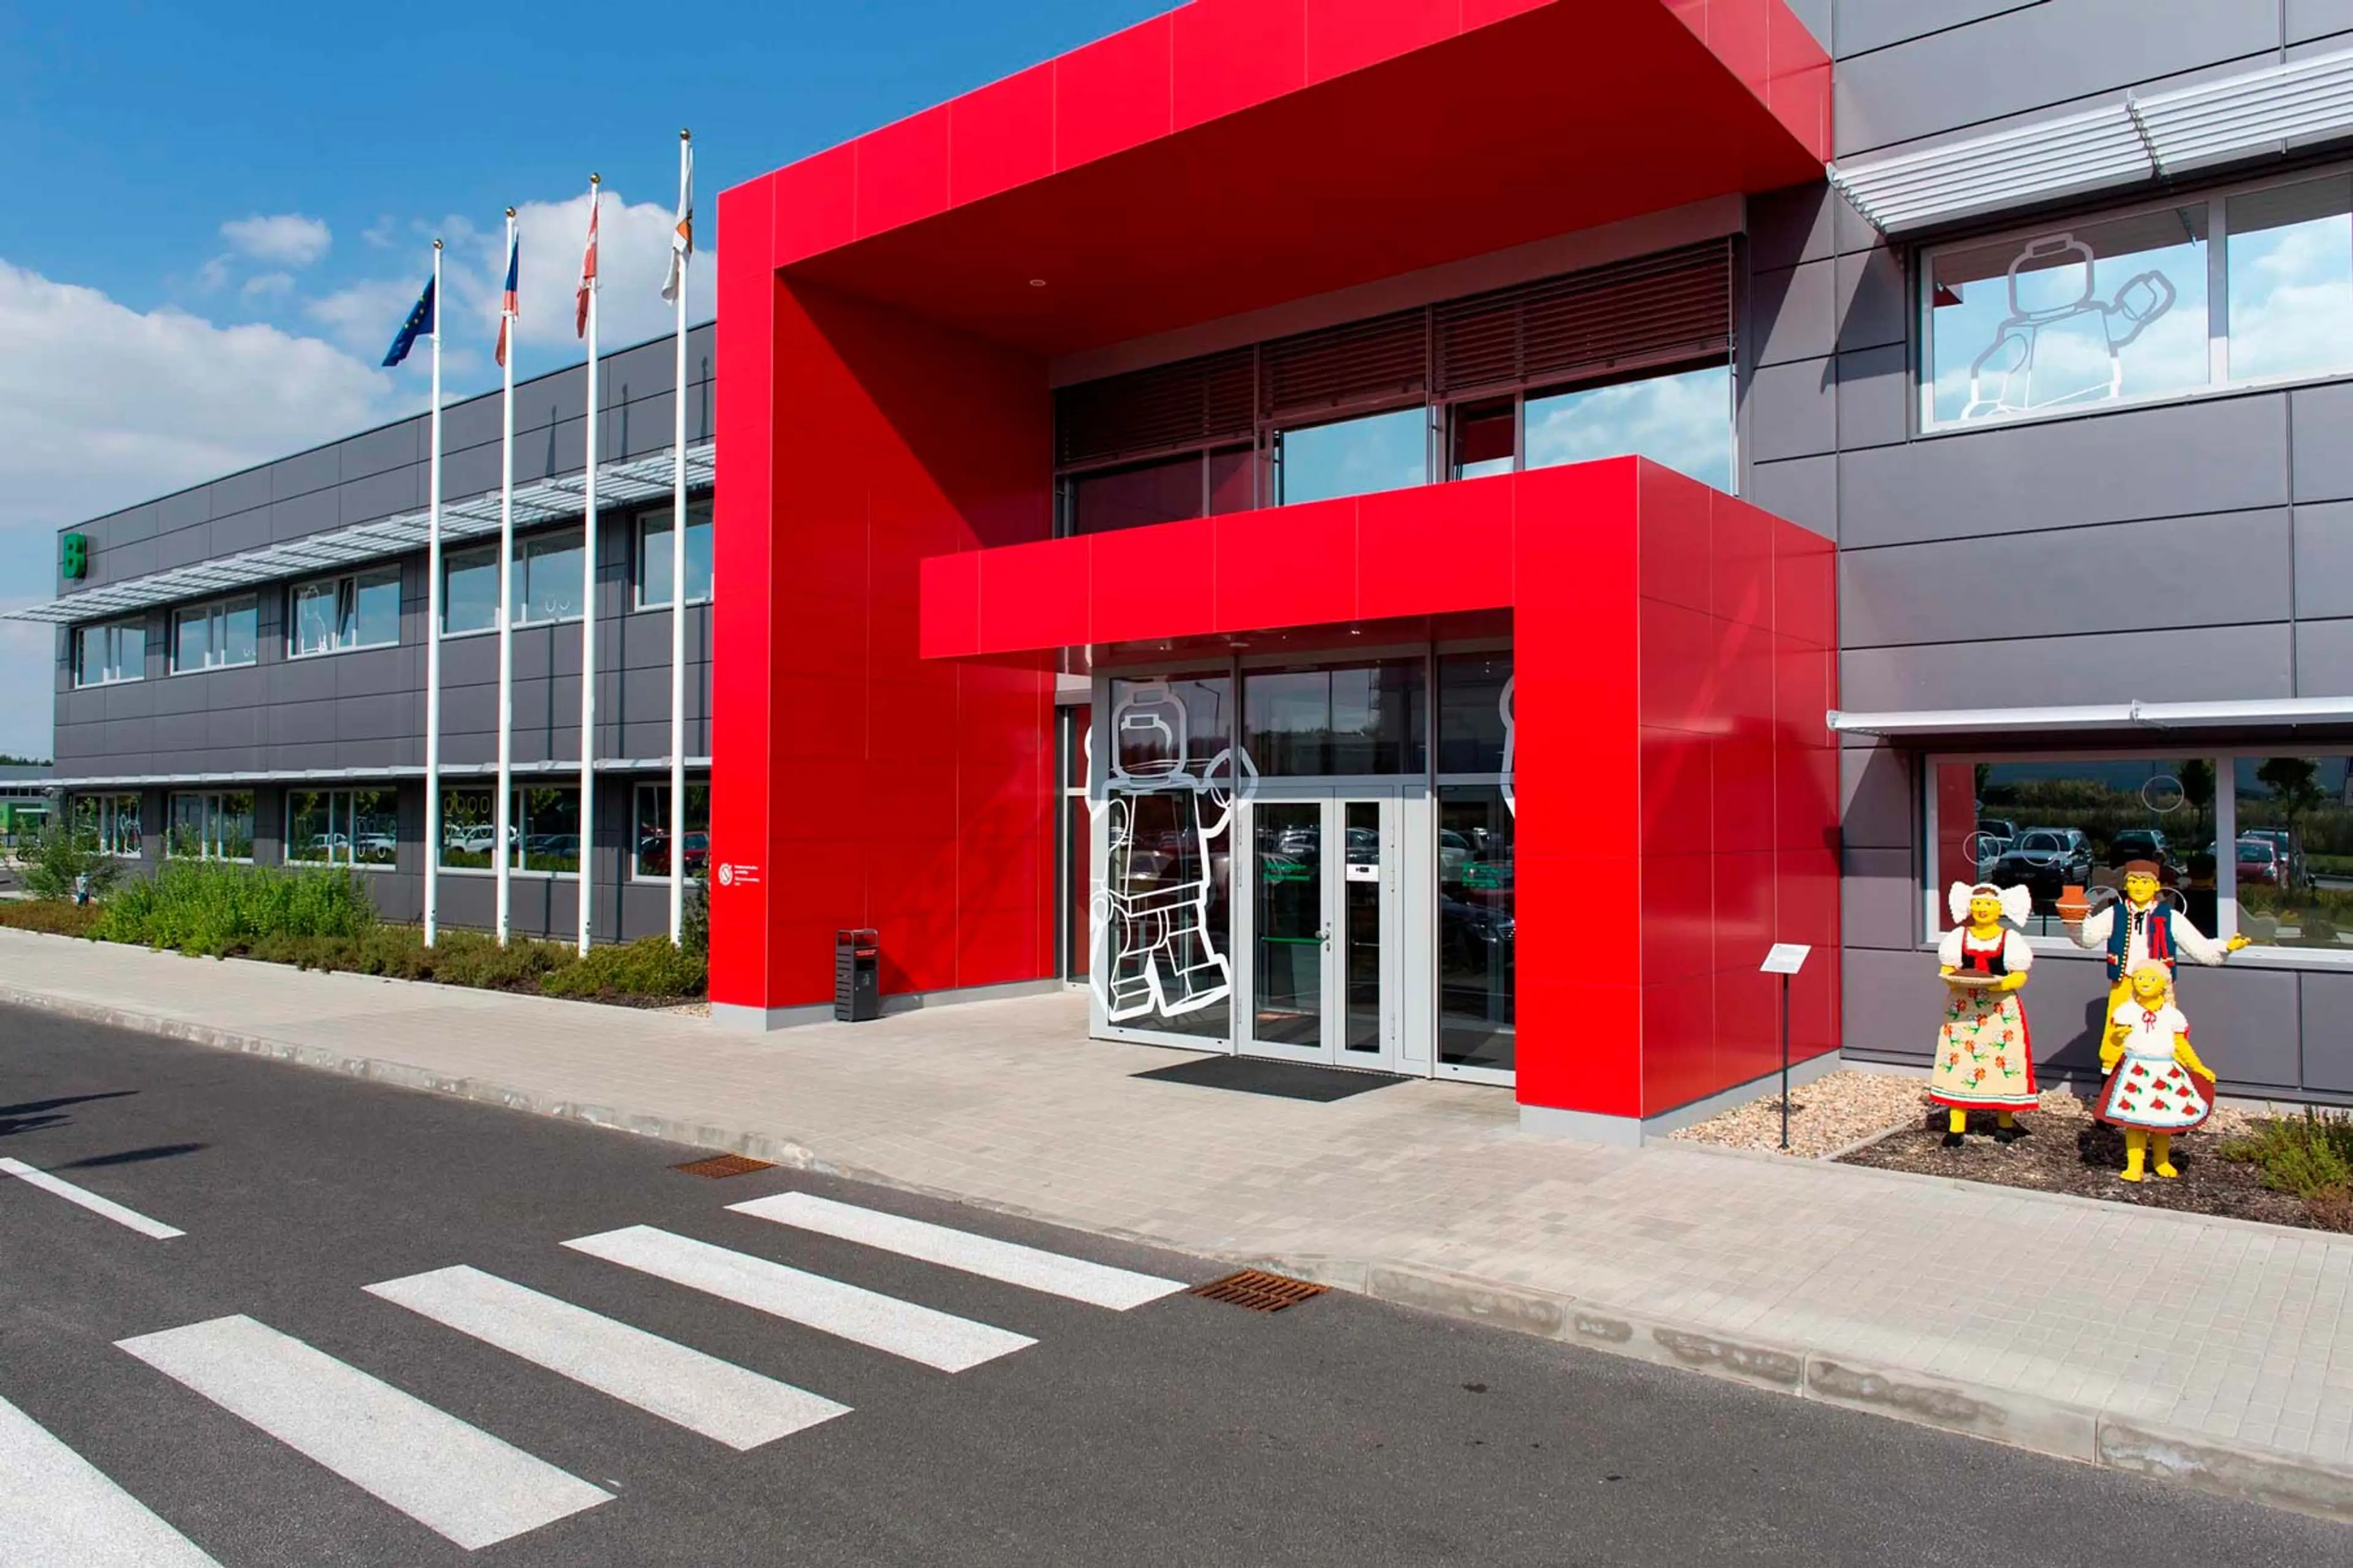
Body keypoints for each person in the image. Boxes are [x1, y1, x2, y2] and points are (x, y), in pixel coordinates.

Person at [2067, 857, 2246, 1018]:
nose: (2138, 887)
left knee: (2160, 1040)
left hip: (2158, 989)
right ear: (2126, 885)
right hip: (2124, 986)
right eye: (2133, 881)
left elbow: (2199, 949)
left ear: (2156, 886)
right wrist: (2074, 920)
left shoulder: (2170, 917)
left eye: (2145, 882)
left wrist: (2226, 947)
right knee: (2114, 1046)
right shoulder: (2114, 914)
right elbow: (2088, 939)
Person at [1932, 882, 2038, 1148]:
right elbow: (1949, 966)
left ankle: (2004, 1123)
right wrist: (1952, 979)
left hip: (1999, 1009)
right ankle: (1957, 1126)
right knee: (1959, 1062)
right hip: (1963, 1008)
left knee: (2002, 1062)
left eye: (1988, 904)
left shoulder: (2010, 939)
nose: (1982, 909)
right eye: (1978, 904)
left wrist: (2002, 983)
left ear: (1999, 908)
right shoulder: (1959, 936)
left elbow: (2020, 974)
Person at [2094, 961, 2217, 1182]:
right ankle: (2134, 1165)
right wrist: (2118, 1036)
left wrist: (2198, 1067)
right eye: (2140, 978)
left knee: (2162, 1121)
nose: (2145, 983)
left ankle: (2161, 1161)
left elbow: (2181, 1045)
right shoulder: (2127, 1011)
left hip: (2164, 1071)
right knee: (2135, 1122)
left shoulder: (2171, 1015)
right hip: (2136, 1071)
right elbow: (2115, 1037)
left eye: (2151, 979)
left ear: (2163, 984)